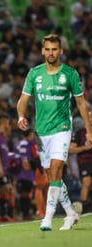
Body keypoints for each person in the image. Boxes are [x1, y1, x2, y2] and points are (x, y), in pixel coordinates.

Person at [17, 34, 92, 231]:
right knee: (52, 176)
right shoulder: (34, 74)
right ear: (43, 51)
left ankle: (47, 218)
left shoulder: (70, 74)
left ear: (61, 51)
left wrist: (89, 130)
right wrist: (20, 116)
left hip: (62, 128)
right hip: (42, 132)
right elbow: (23, 100)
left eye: (54, 49)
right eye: (47, 49)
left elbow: (81, 103)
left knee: (57, 167)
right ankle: (70, 213)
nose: (51, 53)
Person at [69, 112, 92, 213]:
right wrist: (85, 148)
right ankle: (84, 207)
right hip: (85, 161)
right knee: (86, 183)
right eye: (89, 117)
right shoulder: (79, 133)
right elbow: (71, 150)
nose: (90, 119)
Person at [14, 129, 39, 220]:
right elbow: (24, 157)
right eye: (32, 135)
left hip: (20, 172)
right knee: (25, 193)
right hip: (25, 173)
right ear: (28, 135)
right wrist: (25, 163)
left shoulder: (18, 143)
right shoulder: (25, 144)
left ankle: (25, 212)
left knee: (24, 193)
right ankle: (25, 213)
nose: (33, 137)